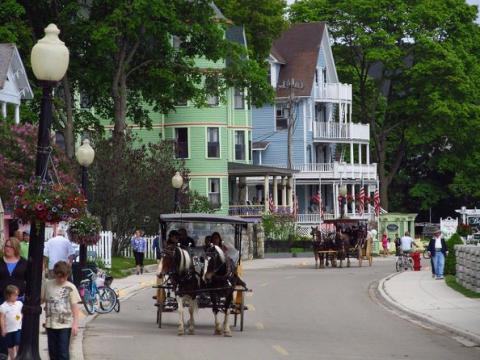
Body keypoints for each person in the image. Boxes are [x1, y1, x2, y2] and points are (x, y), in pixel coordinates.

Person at [42, 261, 81, 360]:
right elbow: (41, 300)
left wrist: (75, 324)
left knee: (63, 352)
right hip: (51, 324)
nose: (62, 279)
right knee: (53, 352)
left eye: (64, 277)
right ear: (54, 274)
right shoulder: (48, 285)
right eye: (59, 277)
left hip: (65, 325)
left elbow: (75, 307)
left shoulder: (71, 287)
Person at [0, 238, 27, 357]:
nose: (7, 248)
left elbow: (29, 280)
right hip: (1, 299)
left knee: (16, 327)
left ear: (16, 248)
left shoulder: (23, 262)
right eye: (6, 246)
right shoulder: (0, 261)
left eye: (10, 246)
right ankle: (3, 353)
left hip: (18, 300)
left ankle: (17, 355)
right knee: (2, 327)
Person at [0, 285, 22, 360]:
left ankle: (18, 357)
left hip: (18, 328)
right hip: (9, 330)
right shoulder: (3, 306)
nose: (17, 296)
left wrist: (21, 317)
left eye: (17, 295)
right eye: (15, 295)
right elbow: (2, 318)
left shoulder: (19, 303)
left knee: (18, 343)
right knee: (10, 346)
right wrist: (3, 329)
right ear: (8, 295)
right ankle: (12, 358)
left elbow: (22, 313)